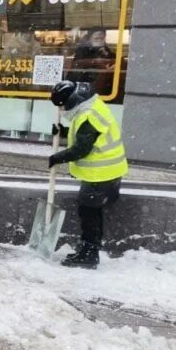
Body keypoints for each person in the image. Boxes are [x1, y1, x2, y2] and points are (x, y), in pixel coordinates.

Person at [47, 80, 128, 269]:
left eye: (63, 105)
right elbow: (86, 135)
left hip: (101, 174)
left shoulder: (88, 115)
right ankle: (87, 249)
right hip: (106, 172)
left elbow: (82, 148)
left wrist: (58, 158)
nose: (63, 109)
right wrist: (64, 131)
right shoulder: (92, 106)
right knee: (92, 212)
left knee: (89, 214)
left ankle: (89, 254)